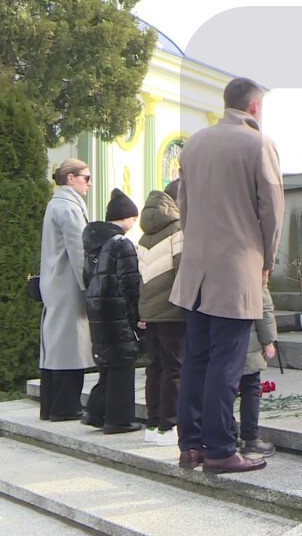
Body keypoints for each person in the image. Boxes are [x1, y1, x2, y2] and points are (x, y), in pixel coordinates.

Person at [170, 77, 284, 474]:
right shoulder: (258, 144)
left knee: (196, 359)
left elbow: (183, 207)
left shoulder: (194, 144)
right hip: (236, 269)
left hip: (195, 271)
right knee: (227, 361)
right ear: (254, 107)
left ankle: (191, 446)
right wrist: (267, 260)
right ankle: (220, 449)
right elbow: (271, 211)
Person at [80, 189, 143, 434]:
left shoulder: (94, 243)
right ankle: (118, 419)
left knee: (107, 362)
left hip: (97, 308)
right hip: (117, 309)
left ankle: (94, 412)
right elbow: (130, 283)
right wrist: (137, 314)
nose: (133, 224)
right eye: (133, 219)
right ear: (125, 217)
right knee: (123, 363)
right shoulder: (121, 244)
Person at [39, 159, 94, 421]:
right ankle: (65, 406)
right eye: (86, 177)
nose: (89, 184)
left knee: (56, 346)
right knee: (70, 347)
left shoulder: (56, 204)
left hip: (56, 282)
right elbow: (79, 251)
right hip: (68, 284)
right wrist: (90, 285)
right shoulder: (69, 207)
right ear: (70, 178)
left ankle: (51, 406)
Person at [137, 179, 185, 446]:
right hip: (172, 310)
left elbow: (139, 276)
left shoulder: (145, 235)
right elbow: (182, 272)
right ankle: (170, 426)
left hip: (150, 311)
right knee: (175, 369)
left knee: (154, 368)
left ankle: (153, 424)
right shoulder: (179, 230)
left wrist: (142, 309)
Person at [237, 285, 278, 458]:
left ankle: (228, 434)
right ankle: (250, 439)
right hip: (248, 344)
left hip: (222, 344)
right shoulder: (255, 274)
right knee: (250, 389)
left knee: (224, 390)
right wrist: (268, 340)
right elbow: (265, 311)